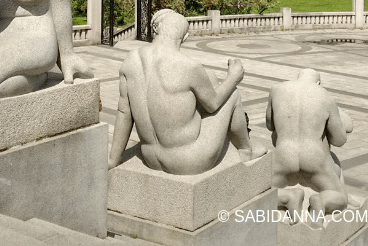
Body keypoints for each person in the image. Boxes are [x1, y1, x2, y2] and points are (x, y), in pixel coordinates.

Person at [108, 9, 265, 175]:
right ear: (185, 37)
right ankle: (246, 150)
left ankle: (116, 157)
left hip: (150, 158)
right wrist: (233, 78)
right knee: (232, 94)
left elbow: (124, 112)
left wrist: (114, 159)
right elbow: (213, 104)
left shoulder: (130, 60)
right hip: (189, 160)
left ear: (156, 29)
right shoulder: (189, 66)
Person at [266, 69, 353, 218]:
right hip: (314, 159)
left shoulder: (276, 89)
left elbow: (270, 125)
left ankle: (287, 197)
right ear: (318, 83)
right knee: (340, 198)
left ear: (297, 78)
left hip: (283, 156)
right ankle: (320, 201)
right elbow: (339, 140)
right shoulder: (326, 97)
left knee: (258, 192)